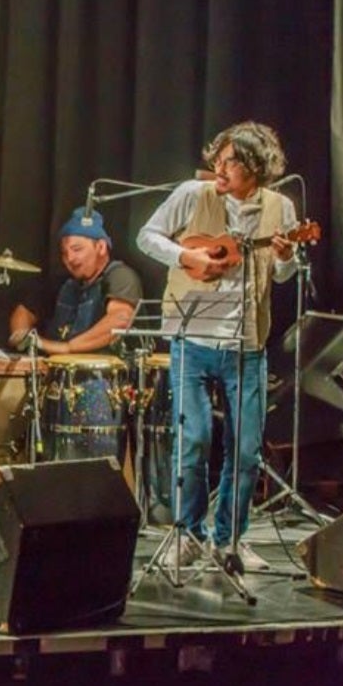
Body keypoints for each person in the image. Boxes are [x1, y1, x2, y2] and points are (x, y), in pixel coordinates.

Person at [136, 121, 298, 572]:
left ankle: (230, 539)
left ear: (255, 167)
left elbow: (282, 274)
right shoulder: (193, 194)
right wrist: (186, 256)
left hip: (247, 344)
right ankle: (188, 534)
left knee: (245, 451)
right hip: (192, 338)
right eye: (218, 159)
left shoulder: (281, 208)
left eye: (231, 162)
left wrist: (286, 258)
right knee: (194, 440)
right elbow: (146, 236)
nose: (219, 168)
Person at [8, 208, 142, 355]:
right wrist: (22, 335)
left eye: (77, 249)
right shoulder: (63, 282)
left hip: (103, 367)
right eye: (64, 253)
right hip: (59, 366)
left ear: (101, 247)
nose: (70, 258)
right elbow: (25, 310)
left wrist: (67, 348)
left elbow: (120, 320)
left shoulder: (120, 276)